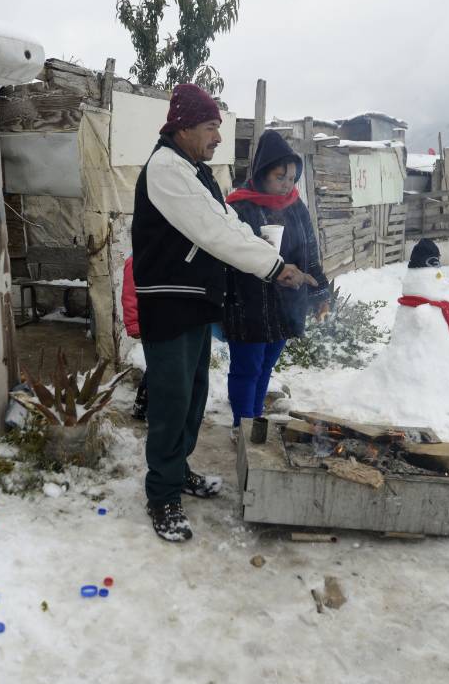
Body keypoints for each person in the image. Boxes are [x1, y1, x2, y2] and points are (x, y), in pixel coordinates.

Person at [131, 83, 317, 542]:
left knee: (193, 394)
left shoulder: (195, 169)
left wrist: (278, 264)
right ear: (184, 126)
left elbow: (229, 223)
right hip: (169, 302)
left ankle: (178, 470)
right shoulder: (166, 168)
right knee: (172, 402)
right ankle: (162, 495)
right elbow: (214, 231)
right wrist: (273, 267)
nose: (218, 136)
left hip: (194, 301)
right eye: (212, 126)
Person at [222, 130, 329, 433]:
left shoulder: (296, 206)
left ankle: (255, 422)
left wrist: (319, 291)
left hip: (285, 303)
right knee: (247, 368)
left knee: (266, 366)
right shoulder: (238, 207)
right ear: (260, 174)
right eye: (279, 177)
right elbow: (228, 253)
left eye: (292, 178)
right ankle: (242, 428)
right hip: (248, 302)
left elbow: (310, 251)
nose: (287, 185)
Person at [121, 255, 147, 420]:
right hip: (147, 325)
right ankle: (141, 404)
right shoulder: (134, 260)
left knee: (156, 367)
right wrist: (133, 325)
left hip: (159, 324)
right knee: (156, 368)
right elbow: (129, 297)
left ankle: (143, 404)